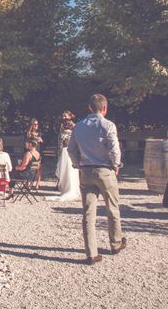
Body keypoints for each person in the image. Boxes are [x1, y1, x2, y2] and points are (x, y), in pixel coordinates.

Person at [67, 94, 126, 265]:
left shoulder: (78, 127)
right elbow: (115, 148)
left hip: (86, 170)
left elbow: (71, 150)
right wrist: (116, 165)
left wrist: (78, 165)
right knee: (112, 209)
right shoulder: (108, 125)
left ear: (89, 108)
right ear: (105, 108)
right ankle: (115, 244)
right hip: (105, 170)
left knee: (88, 213)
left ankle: (91, 253)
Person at [47, 111, 80, 202]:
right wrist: (59, 151)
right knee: (64, 170)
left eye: (65, 116)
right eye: (63, 116)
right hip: (63, 151)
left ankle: (71, 188)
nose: (64, 117)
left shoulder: (74, 126)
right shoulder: (62, 126)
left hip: (70, 150)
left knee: (70, 169)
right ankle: (65, 187)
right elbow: (59, 140)